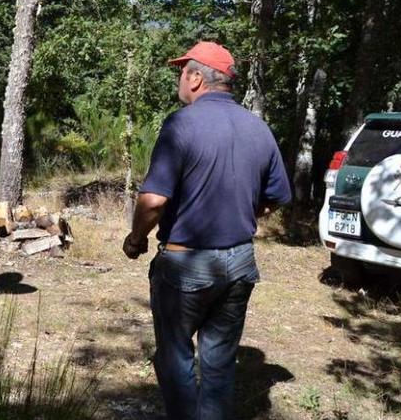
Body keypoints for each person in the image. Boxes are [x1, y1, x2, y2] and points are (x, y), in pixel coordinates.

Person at [122, 41, 291, 420]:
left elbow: (152, 201)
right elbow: (278, 194)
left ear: (196, 77)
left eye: (182, 72)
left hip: (187, 265)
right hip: (240, 263)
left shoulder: (181, 123)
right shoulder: (258, 127)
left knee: (175, 356)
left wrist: (136, 240)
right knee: (218, 364)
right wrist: (242, 209)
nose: (179, 80)